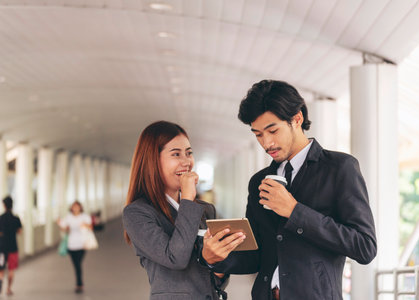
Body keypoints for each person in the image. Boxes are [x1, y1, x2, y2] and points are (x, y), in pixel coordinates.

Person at [201, 80, 377, 300]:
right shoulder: (259, 182)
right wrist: (214, 258)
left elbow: (365, 246)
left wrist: (295, 212)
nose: (266, 143)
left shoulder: (340, 168)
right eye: (258, 134)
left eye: (272, 130)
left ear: (297, 119)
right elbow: (256, 256)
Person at [122, 121, 242, 300]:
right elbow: (175, 258)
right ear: (152, 160)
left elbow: (213, 282)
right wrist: (187, 198)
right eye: (176, 154)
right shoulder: (137, 213)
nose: (186, 162)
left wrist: (216, 267)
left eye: (189, 153)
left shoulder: (205, 209)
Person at [58, 201, 92, 294]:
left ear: (80, 207)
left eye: (77, 206)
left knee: (78, 264)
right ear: (71, 208)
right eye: (74, 206)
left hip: (82, 244)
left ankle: (79, 284)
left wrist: (85, 225)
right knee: (77, 264)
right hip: (71, 244)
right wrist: (60, 224)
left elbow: (90, 227)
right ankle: (79, 284)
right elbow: (64, 228)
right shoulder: (69, 217)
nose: (76, 208)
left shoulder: (84, 217)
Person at [0, 196, 22, 296]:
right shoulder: (16, 218)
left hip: (2, 248)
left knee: (1, 270)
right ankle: (8, 289)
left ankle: (0, 289)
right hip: (13, 247)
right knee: (11, 270)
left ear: (4, 205)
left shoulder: (1, 218)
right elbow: (20, 231)